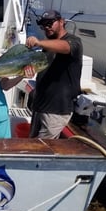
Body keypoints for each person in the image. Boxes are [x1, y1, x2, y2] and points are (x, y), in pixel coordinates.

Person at [25, 9, 83, 139]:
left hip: (56, 110)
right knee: (32, 145)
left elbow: (65, 46)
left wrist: (38, 42)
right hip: (40, 106)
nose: (46, 27)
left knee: (41, 150)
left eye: (50, 23)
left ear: (61, 22)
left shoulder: (74, 41)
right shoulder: (48, 46)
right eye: (43, 25)